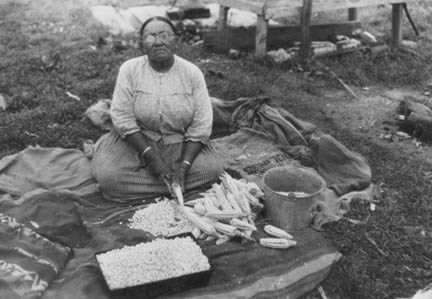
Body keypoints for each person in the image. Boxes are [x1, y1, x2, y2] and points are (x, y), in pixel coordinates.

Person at [91, 16, 223, 202]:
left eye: (164, 35)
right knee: (109, 178)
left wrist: (184, 166)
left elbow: (201, 125)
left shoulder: (192, 73)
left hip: (180, 143)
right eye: (151, 36)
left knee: (212, 171)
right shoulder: (130, 69)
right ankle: (174, 188)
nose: (158, 42)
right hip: (137, 141)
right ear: (141, 44)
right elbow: (122, 117)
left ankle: (169, 182)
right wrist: (152, 158)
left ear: (175, 40)